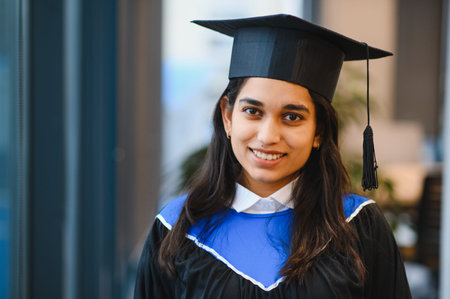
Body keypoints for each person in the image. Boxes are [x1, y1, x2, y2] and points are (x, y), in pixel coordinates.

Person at [134, 14, 412, 298]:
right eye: (252, 111)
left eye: (292, 117)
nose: (268, 136)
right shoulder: (177, 228)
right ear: (228, 117)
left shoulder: (358, 226)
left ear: (319, 131)